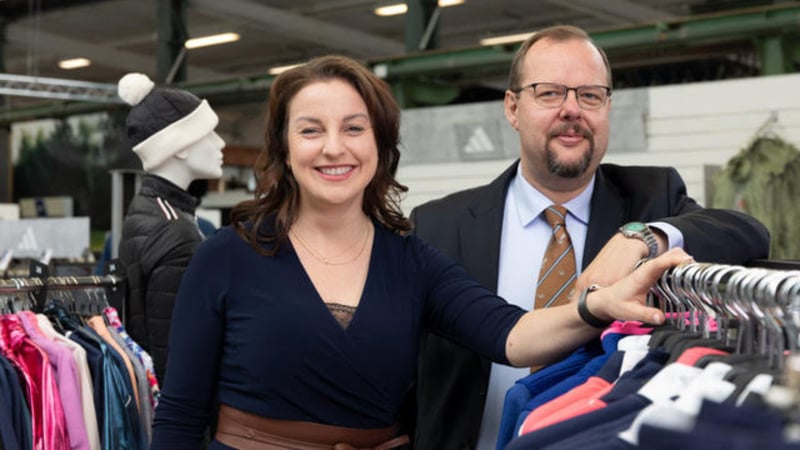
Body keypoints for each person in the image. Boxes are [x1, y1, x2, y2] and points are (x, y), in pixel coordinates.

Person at [149, 54, 693, 450]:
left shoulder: (412, 260)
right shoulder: (226, 256)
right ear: (285, 149)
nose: (334, 147)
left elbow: (511, 334)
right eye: (311, 130)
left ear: (380, 147)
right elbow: (178, 416)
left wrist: (595, 306)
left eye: (354, 128)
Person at [408, 24, 771, 450]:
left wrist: (641, 237)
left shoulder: (652, 197)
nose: (572, 109)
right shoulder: (438, 225)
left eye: (590, 95)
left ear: (607, 108)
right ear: (512, 108)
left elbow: (747, 232)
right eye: (550, 93)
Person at [116, 72, 225, 383]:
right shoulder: (175, 231)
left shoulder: (148, 211)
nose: (221, 143)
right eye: (209, 134)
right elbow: (178, 353)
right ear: (180, 147)